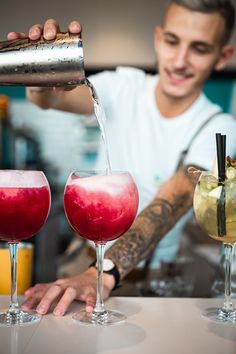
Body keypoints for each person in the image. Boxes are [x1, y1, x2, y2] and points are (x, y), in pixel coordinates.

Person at [7, 0, 236, 316]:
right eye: (172, 41)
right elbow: (51, 98)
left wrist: (103, 274)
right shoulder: (123, 86)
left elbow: (171, 202)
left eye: (199, 48)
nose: (180, 60)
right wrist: (39, 78)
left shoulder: (219, 126)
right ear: (158, 37)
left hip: (153, 278)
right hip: (83, 259)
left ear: (222, 56)